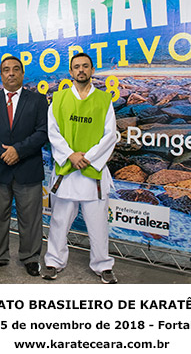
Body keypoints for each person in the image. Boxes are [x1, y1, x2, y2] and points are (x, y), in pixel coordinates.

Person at [41, 52, 118, 284]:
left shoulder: (104, 100)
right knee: (59, 221)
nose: (81, 70)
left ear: (92, 70)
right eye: (77, 67)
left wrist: (89, 158)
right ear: (71, 71)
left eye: (85, 66)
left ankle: (103, 264)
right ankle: (53, 261)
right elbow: (52, 132)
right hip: (68, 170)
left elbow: (110, 135)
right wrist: (70, 155)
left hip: (92, 172)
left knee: (98, 224)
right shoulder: (59, 98)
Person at [0, 56, 48, 276]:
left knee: (31, 218)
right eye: (6, 70)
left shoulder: (38, 100)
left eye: (16, 69)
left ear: (23, 73)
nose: (11, 73)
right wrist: (3, 153)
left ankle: (31, 257)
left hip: (28, 167)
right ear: (1, 74)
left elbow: (43, 132)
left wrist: (18, 151)